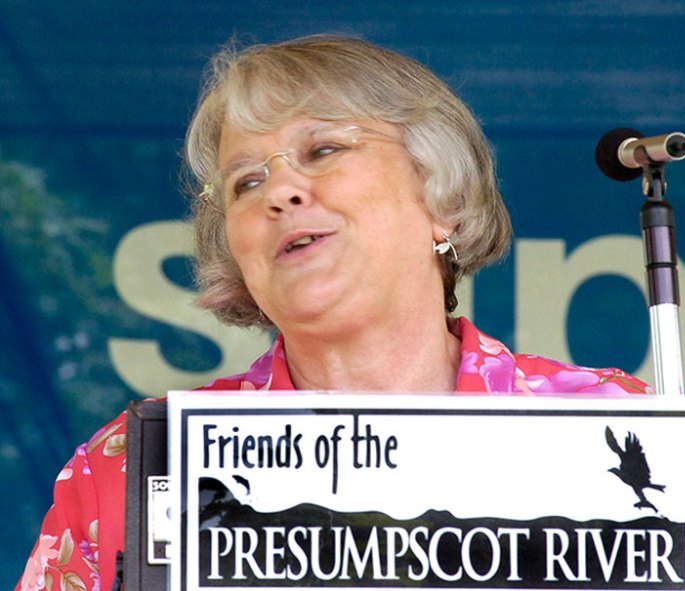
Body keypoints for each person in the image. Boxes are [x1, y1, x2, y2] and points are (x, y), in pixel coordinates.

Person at [16, 35, 650, 591]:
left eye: (321, 151)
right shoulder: (137, 465)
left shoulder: (622, 427)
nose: (282, 192)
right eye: (246, 182)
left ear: (441, 198)